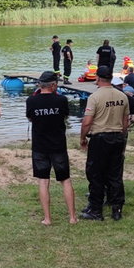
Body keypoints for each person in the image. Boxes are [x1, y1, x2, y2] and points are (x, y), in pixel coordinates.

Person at [79, 66, 130, 221]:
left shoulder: (95, 97)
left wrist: (82, 138)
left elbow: (87, 122)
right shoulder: (122, 96)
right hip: (117, 137)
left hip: (100, 138)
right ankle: (117, 209)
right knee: (115, 174)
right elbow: (125, 122)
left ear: (98, 78)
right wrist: (122, 136)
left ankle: (96, 209)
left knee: (95, 174)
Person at [26, 71, 77, 225]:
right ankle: (72, 217)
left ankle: (47, 218)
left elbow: (30, 117)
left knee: (43, 181)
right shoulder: (61, 100)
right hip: (58, 146)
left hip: (40, 146)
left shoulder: (31, 100)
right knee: (65, 180)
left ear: (41, 85)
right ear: (53, 85)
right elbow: (65, 116)